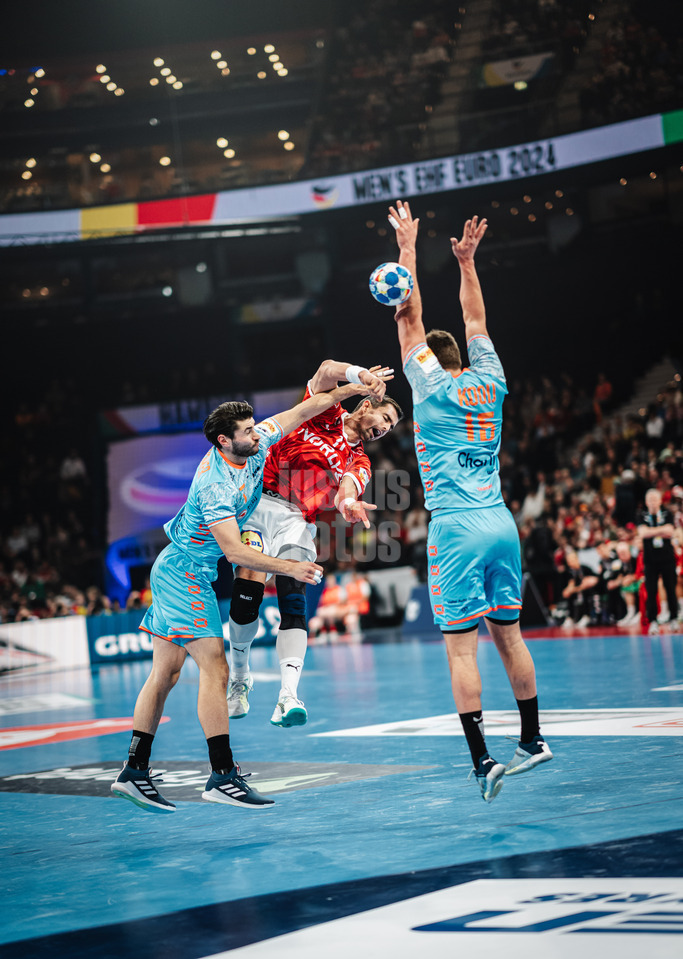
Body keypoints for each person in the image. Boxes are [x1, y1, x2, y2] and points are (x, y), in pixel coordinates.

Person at [111, 382, 372, 814]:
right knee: (216, 668)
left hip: (179, 569)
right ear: (224, 441)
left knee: (165, 675)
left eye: (254, 427)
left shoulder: (255, 442)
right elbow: (234, 552)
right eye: (248, 431)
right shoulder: (216, 486)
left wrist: (353, 385)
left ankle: (134, 771)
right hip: (185, 574)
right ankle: (222, 775)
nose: (258, 433)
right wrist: (290, 567)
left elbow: (308, 408)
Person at [389, 200, 552, 803]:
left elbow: (409, 316)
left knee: (461, 647)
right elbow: (475, 317)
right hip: (500, 520)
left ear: (430, 363)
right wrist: (466, 263)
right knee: (511, 636)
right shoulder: (490, 375)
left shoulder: (428, 386)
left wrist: (407, 249)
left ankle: (483, 760)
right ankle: (532, 739)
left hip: (456, 527)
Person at [226, 361, 402, 728]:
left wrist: (348, 503)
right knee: (248, 590)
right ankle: (239, 676)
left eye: (391, 428)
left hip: (297, 521)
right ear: (366, 405)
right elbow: (325, 371)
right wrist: (361, 377)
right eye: (385, 418)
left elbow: (348, 488)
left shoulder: (359, 459)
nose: (385, 429)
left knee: (294, 600)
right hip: (259, 504)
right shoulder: (325, 412)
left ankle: (288, 695)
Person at [637, 488, 680, 634]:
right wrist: (661, 531)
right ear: (646, 502)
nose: (653, 502)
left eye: (655, 499)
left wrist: (651, 531)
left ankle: (674, 618)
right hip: (650, 560)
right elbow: (642, 533)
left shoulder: (667, 513)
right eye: (650, 500)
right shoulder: (641, 515)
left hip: (667, 558)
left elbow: (670, 531)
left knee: (670, 589)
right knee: (651, 591)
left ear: (660, 501)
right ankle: (653, 621)